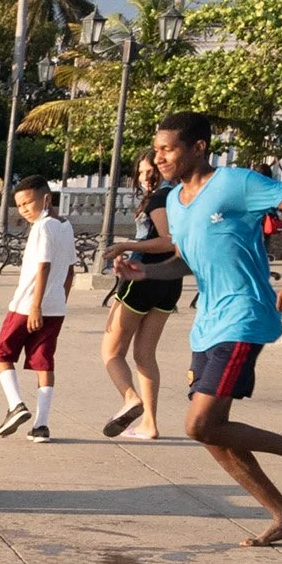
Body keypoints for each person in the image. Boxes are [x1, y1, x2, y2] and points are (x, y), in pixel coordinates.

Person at [138, 111, 282, 546]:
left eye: (168, 149)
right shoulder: (174, 202)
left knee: (198, 425)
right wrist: (142, 275)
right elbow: (186, 259)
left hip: (243, 315)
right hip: (207, 324)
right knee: (213, 432)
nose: (159, 157)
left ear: (198, 147)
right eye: (157, 148)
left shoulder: (235, 182)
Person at [99, 151, 184, 439]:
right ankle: (149, 424)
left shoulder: (161, 198)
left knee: (111, 352)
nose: (146, 178)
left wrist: (124, 246)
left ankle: (130, 399)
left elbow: (166, 241)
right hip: (171, 281)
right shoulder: (181, 197)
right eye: (142, 172)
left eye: (152, 172)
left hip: (144, 277)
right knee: (145, 354)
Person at [0, 176, 77, 443]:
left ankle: (16, 404)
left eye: (28, 202)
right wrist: (61, 298)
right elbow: (71, 269)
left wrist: (36, 306)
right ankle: (41, 425)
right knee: (43, 361)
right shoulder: (66, 226)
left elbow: (43, 266)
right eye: (20, 205)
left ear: (46, 199)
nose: (24, 209)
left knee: (2, 354)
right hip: (55, 307)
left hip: (28, 305)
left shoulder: (42, 228)